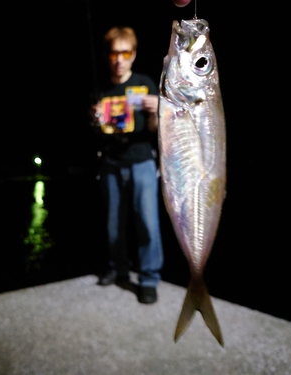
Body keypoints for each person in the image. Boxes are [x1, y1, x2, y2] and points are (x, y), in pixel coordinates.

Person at [89, 26, 164, 304]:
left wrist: (157, 111)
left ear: (133, 55)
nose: (119, 59)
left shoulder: (145, 84)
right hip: (110, 162)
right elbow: (95, 133)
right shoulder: (101, 90)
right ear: (108, 56)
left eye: (125, 52)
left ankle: (148, 278)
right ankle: (117, 268)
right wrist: (95, 119)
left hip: (142, 160)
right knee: (112, 223)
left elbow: (155, 130)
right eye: (114, 53)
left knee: (147, 221)